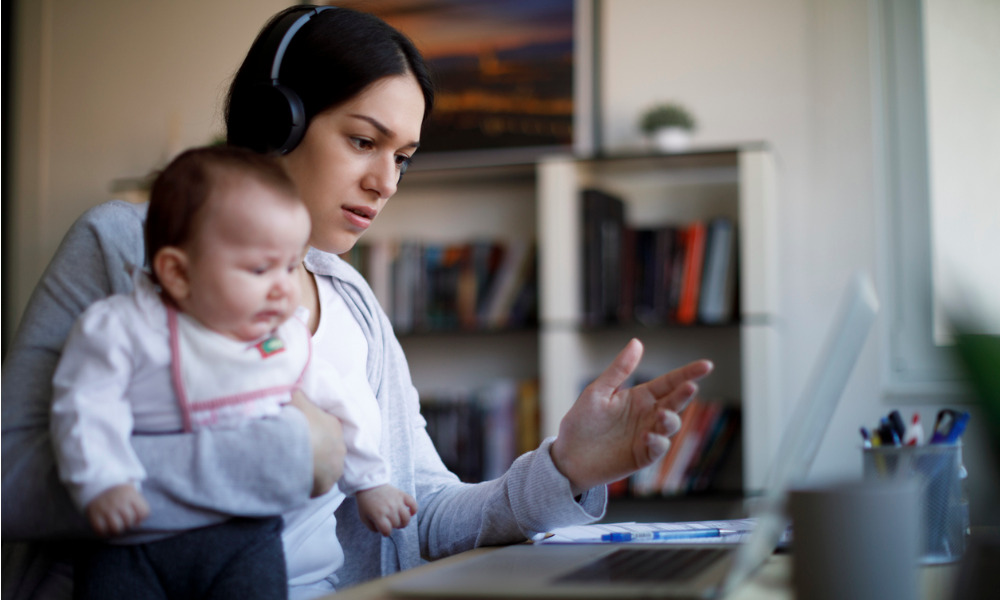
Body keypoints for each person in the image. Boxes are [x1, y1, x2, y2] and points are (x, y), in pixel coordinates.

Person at [1, 5, 713, 598]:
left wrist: (567, 467)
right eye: (363, 140)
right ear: (274, 120)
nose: (386, 182)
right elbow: (11, 481)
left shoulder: (352, 299)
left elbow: (419, 513)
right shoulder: (129, 245)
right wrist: (290, 454)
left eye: (402, 156)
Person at [47, 145, 417, 599]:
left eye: (289, 266)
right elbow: (84, 404)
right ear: (178, 274)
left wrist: (370, 481)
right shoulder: (122, 328)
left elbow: (343, 405)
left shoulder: (282, 337)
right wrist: (102, 480)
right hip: (132, 541)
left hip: (247, 534)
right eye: (261, 269)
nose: (285, 289)